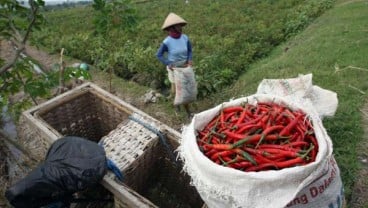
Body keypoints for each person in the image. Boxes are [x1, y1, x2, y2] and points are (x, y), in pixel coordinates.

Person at [156, 12, 193, 118]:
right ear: (172, 28)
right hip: (174, 69)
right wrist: (168, 63)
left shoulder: (185, 38)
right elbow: (159, 55)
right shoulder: (167, 42)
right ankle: (176, 105)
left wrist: (189, 59)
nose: (180, 27)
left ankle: (188, 111)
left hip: (185, 68)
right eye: (178, 26)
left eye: (180, 25)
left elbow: (190, 50)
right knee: (176, 90)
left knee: (185, 90)